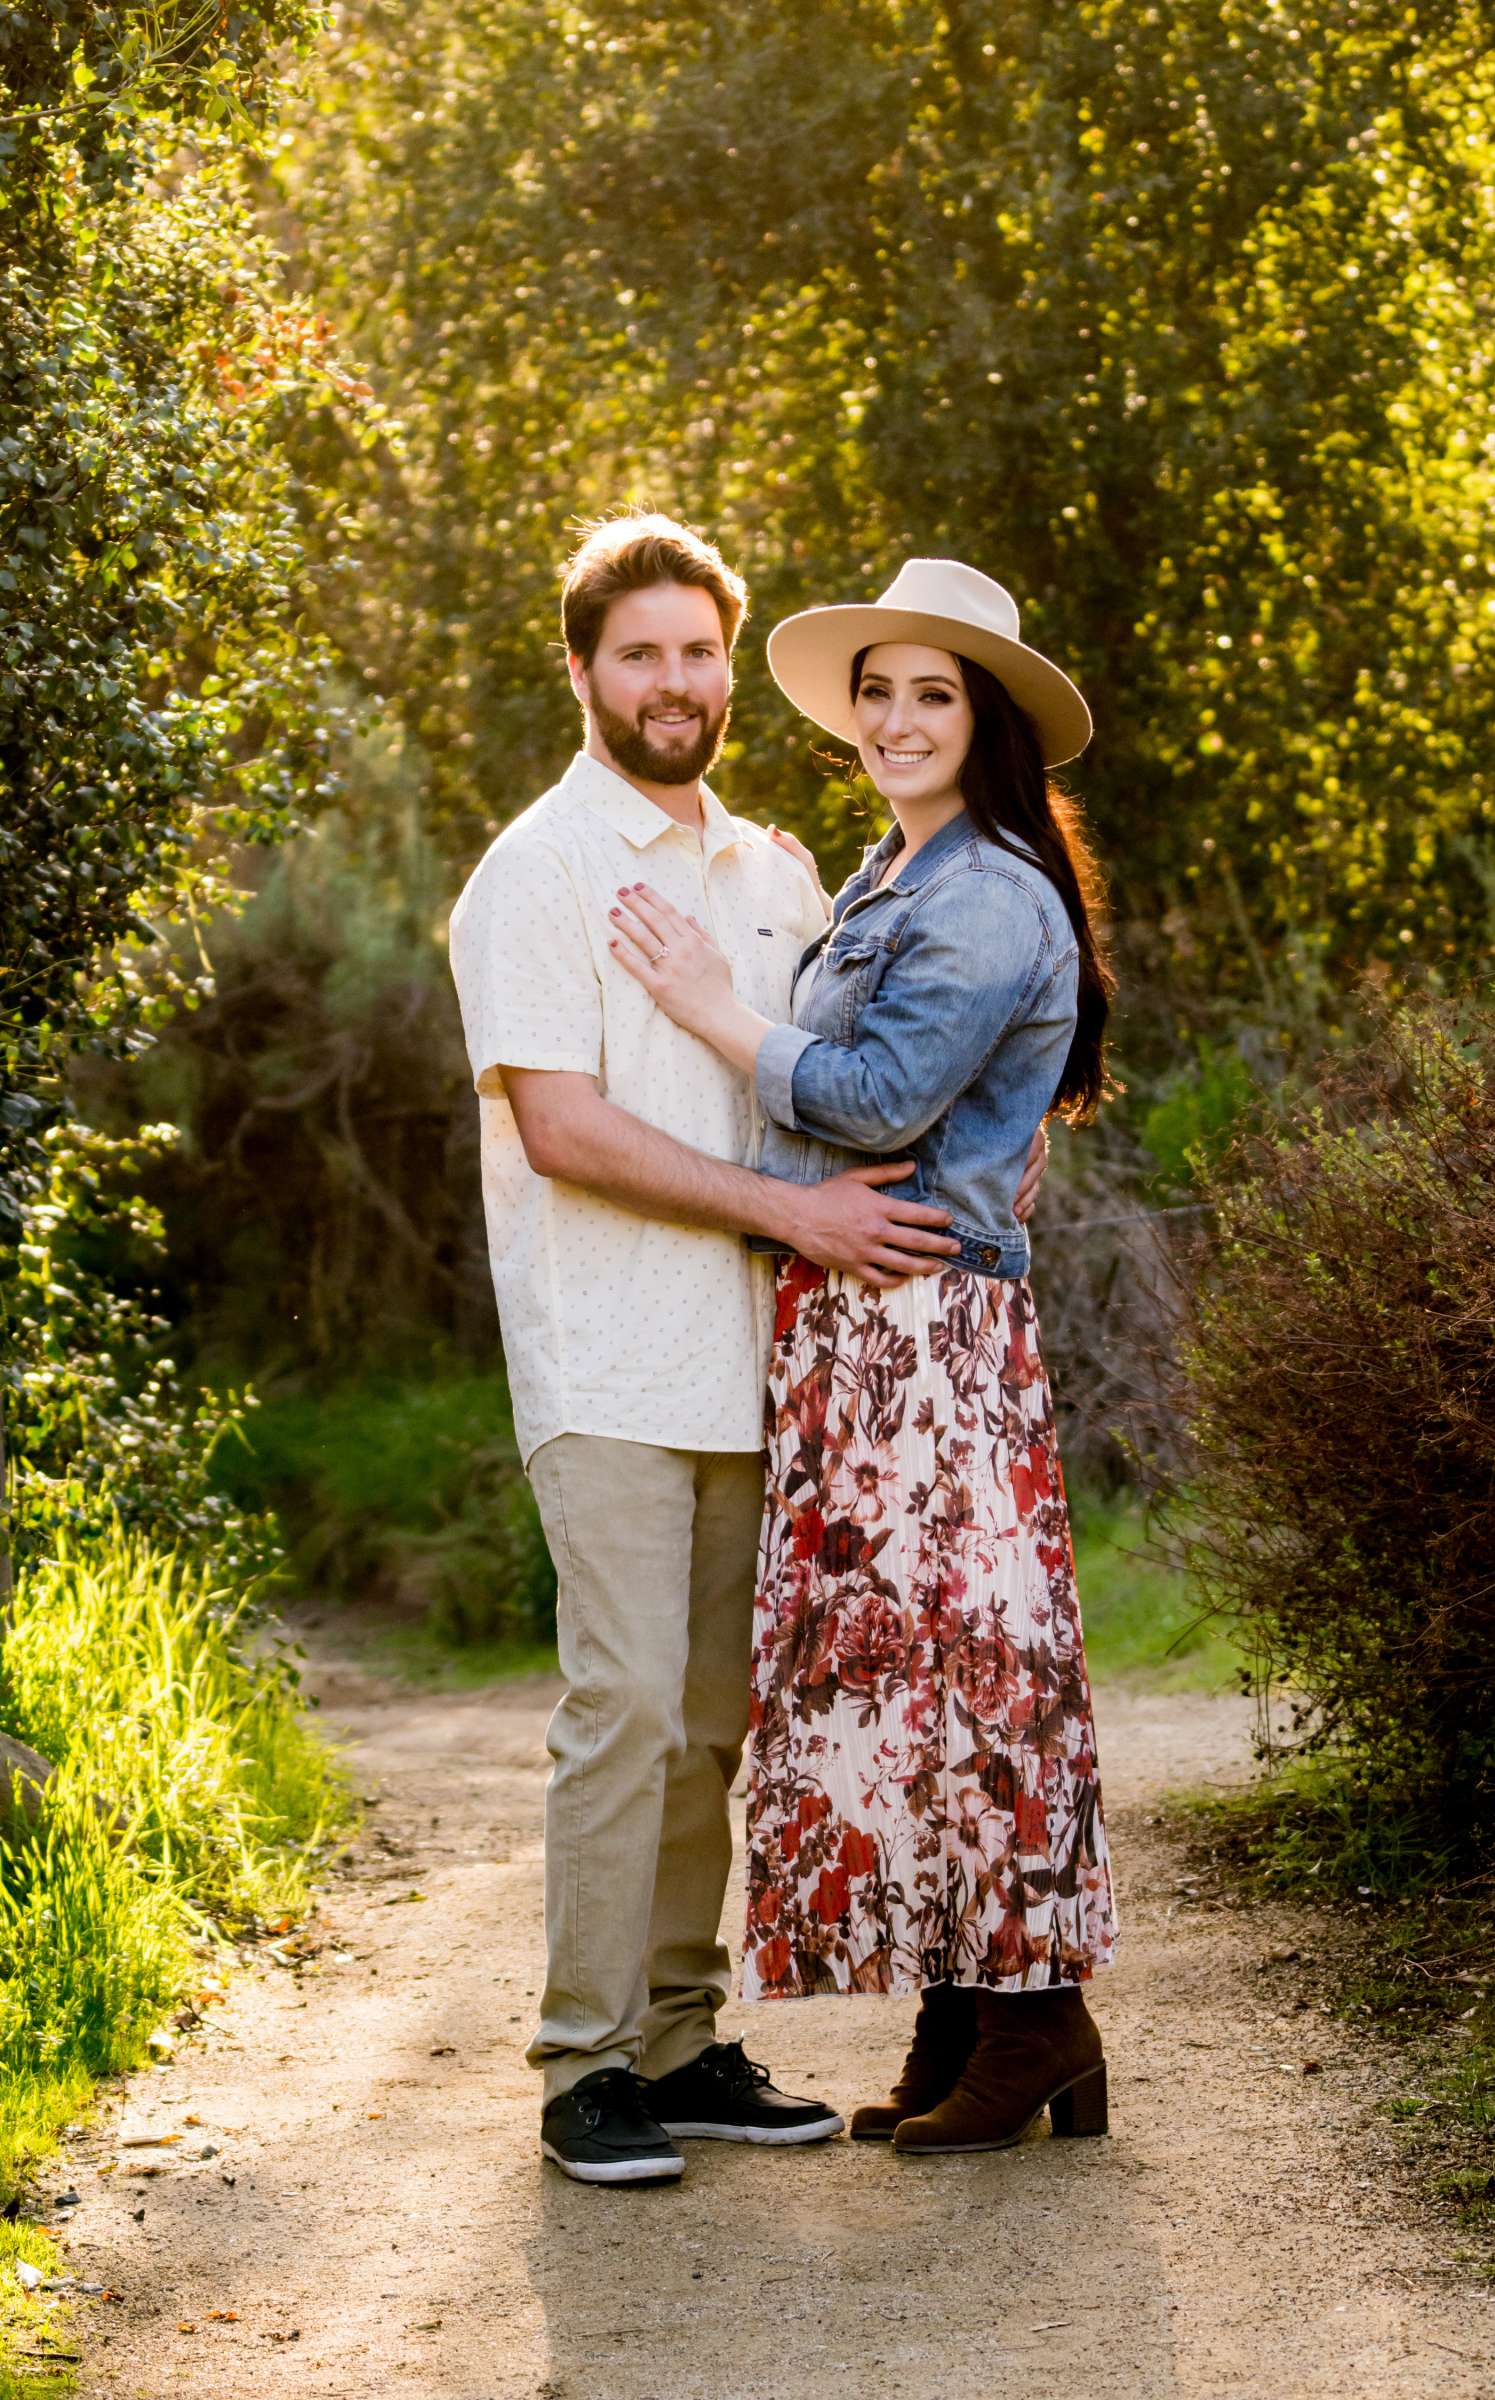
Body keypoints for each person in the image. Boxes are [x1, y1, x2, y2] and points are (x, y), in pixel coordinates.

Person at [448, 515, 1047, 2186]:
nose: (673, 682)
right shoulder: (538, 874)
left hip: (772, 1365)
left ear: (730, 668)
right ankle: (583, 2069)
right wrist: (793, 1219)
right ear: (580, 672)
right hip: (610, 1358)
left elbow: (891, 1064)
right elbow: (564, 1130)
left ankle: (679, 2040)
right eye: (637, 653)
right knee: (627, 1703)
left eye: (697, 651)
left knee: (719, 1717)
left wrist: (993, 1146)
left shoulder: (786, 873)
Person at [609, 556, 1119, 2156]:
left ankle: (1037, 2013)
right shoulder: (893, 875)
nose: (899, 720)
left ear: (989, 725)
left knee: (971, 1673)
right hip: (861, 1326)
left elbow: (884, 1096)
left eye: (936, 694)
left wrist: (708, 1009)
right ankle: (974, 2004)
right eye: (880, 691)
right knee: (908, 1679)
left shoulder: (983, 888)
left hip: (929, 1335)